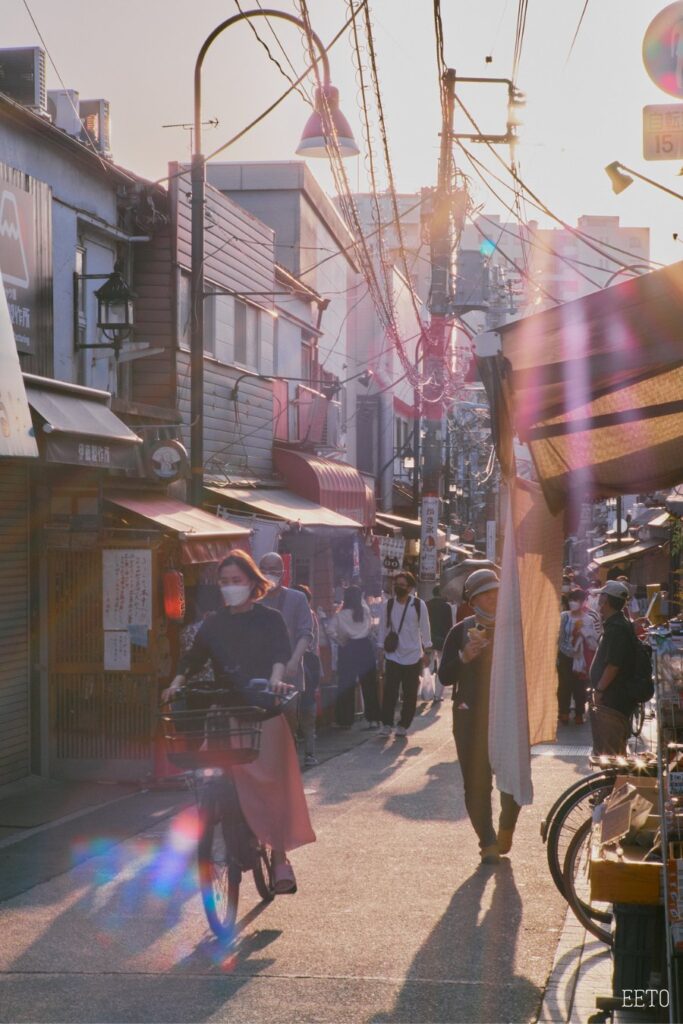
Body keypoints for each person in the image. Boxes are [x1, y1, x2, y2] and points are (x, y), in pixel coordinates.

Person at [162, 549, 315, 894]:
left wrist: (277, 679)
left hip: (262, 710)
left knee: (274, 785)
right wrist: (175, 683)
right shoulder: (214, 623)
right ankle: (210, 831)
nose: (230, 587)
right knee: (204, 774)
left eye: (237, 580)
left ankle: (278, 860)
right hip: (224, 712)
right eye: (225, 581)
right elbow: (193, 657)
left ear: (252, 583)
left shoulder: (270, 619)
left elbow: (279, 654)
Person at [438, 568, 521, 865]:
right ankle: (486, 840)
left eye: (497, 592)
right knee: (476, 783)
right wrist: (465, 657)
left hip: (507, 715)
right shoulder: (460, 631)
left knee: (512, 777)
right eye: (487, 594)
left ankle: (506, 826)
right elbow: (444, 676)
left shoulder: (514, 629)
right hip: (469, 716)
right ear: (473, 601)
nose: (495, 598)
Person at [259, 552, 314, 745]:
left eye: (273, 570)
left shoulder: (297, 598)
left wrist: (293, 660)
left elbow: (306, 633)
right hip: (261, 671)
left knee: (289, 716)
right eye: (264, 569)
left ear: (282, 572)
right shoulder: (254, 600)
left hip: (290, 672)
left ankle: (290, 753)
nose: (268, 573)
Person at [378, 571, 432, 737]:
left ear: (409, 587)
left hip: (413, 656)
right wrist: (380, 649)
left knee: (410, 694)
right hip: (393, 655)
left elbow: (425, 628)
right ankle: (386, 724)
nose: (398, 588)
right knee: (390, 692)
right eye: (396, 585)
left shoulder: (418, 605)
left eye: (402, 585)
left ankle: (403, 724)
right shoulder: (388, 605)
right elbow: (382, 629)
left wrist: (427, 650)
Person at [589, 579, 636, 756]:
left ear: (605, 601)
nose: (598, 601)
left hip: (614, 697)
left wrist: (600, 690)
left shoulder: (617, 628)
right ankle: (614, 781)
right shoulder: (618, 624)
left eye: (601, 597)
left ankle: (614, 781)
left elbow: (613, 665)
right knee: (612, 746)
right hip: (616, 696)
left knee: (611, 750)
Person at [328, 585, 381, 730]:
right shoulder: (364, 612)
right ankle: (373, 719)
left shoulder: (340, 615)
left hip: (347, 648)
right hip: (364, 647)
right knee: (369, 684)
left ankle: (345, 720)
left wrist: (341, 640)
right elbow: (371, 627)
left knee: (346, 684)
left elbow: (330, 630)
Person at [557, 587, 600, 726]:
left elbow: (594, 641)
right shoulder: (564, 616)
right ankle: (563, 712)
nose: (573, 603)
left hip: (581, 658)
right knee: (564, 685)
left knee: (580, 686)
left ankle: (579, 713)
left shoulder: (588, 619)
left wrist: (584, 634)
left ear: (583, 602)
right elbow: (559, 637)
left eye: (576, 600)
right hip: (564, 655)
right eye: (571, 600)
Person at [294, 584, 321, 768]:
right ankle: (308, 754)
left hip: (306, 664)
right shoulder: (311, 615)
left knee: (303, 712)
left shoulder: (308, 616)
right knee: (305, 713)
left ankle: (307, 753)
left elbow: (313, 643)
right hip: (308, 663)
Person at [426, 585, 454, 702]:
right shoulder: (447, 607)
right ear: (441, 594)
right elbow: (450, 625)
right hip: (443, 639)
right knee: (441, 666)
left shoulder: (427, 605)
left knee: (429, 665)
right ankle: (437, 695)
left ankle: (428, 691)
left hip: (429, 638)